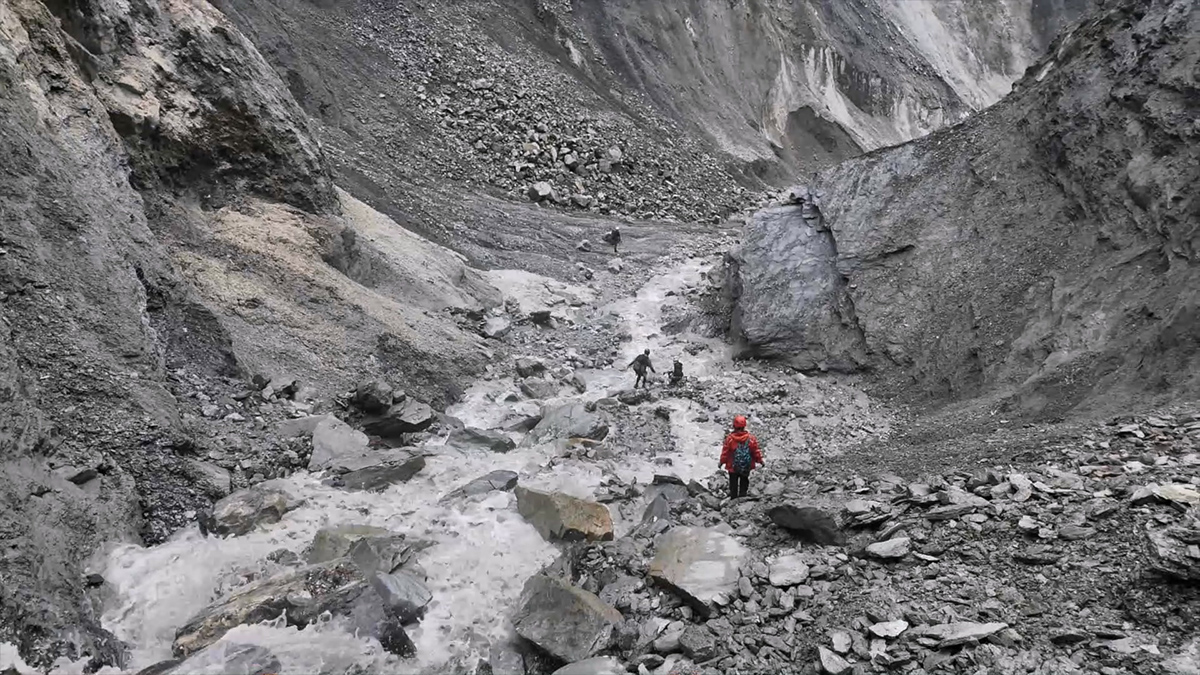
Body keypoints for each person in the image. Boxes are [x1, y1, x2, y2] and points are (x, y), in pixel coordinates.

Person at [719, 415, 763, 500]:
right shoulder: (751, 439)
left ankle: (733, 499)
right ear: (744, 426)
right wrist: (760, 461)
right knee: (744, 480)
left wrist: (721, 462)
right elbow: (755, 451)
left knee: (733, 483)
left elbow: (725, 453)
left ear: (734, 426)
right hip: (746, 466)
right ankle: (743, 497)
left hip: (733, 467)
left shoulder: (730, 439)